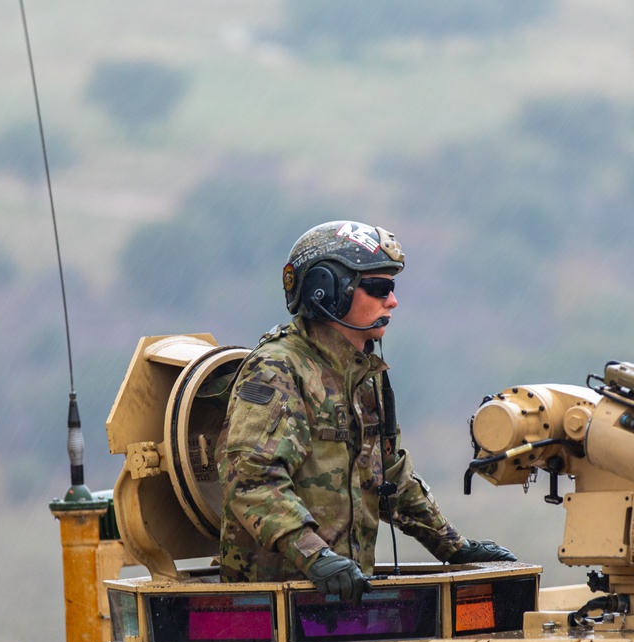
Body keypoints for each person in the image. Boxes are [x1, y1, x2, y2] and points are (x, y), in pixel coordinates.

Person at [216, 220, 515, 605]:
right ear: (329, 292)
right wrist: (316, 557)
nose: (392, 301)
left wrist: (454, 548)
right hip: (273, 606)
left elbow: (389, 474)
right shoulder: (278, 369)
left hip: (345, 599)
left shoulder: (362, 376)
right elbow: (251, 481)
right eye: (379, 288)